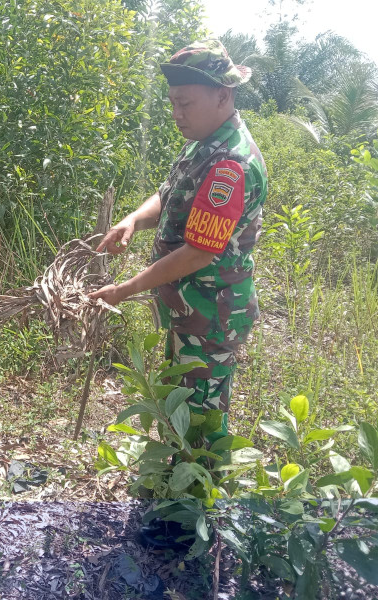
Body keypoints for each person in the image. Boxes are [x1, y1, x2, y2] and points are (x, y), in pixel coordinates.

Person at [90, 38, 267, 443]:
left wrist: (126, 289)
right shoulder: (204, 144)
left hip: (211, 312)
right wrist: (133, 219)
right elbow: (170, 193)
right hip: (187, 308)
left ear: (223, 95)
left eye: (185, 103)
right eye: (172, 103)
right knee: (180, 404)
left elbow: (199, 254)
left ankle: (194, 502)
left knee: (201, 420)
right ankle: (174, 486)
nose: (177, 114)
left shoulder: (230, 166)